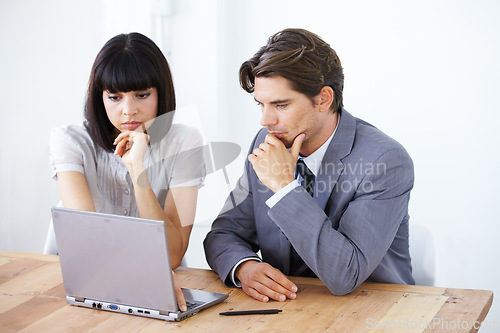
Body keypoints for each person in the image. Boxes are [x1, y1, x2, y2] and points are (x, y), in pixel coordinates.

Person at [204, 28, 415, 303]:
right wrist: (245, 267)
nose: (265, 121)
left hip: (372, 311)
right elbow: (223, 234)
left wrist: (283, 187)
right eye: (261, 104)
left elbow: (345, 275)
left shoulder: (384, 161)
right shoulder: (268, 142)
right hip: (291, 311)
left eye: (280, 105)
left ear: (323, 99)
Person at [49, 32, 205, 311]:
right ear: (100, 97)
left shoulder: (185, 141)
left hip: (161, 286)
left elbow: (171, 254)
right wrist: (143, 270)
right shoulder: (70, 141)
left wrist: (138, 171)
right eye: (115, 97)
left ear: (161, 93)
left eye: (142, 95)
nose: (128, 111)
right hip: (79, 285)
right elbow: (87, 242)